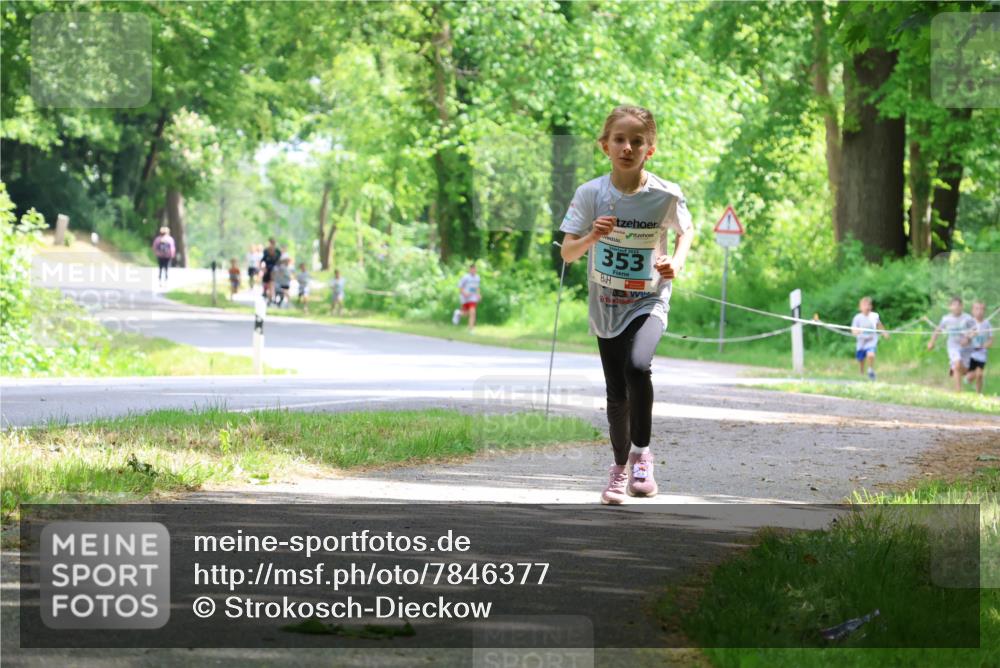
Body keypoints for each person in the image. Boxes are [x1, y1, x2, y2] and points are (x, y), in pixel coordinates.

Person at [559, 105, 694, 505]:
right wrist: (591, 238)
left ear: (649, 150)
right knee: (616, 391)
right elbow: (567, 253)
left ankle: (642, 457)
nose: (628, 147)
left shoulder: (665, 195)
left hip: (649, 299)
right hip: (607, 303)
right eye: (620, 139)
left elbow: (686, 231)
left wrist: (676, 262)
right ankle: (618, 470)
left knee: (639, 366)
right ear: (605, 146)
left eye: (638, 141)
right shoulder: (591, 194)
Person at [927, 296, 977, 392]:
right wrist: (931, 342)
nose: (956, 307)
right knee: (957, 364)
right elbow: (938, 330)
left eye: (959, 305)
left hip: (966, 347)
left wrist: (967, 338)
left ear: (962, 306)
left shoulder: (967, 318)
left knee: (963, 369)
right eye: (954, 305)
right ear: (949, 307)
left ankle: (966, 374)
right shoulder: (946, 319)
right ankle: (958, 392)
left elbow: (975, 330)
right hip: (953, 347)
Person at [850, 296, 888, 381]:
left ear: (871, 306)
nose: (866, 307)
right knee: (860, 358)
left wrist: (884, 333)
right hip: (861, 341)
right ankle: (861, 371)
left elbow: (879, 325)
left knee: (871, 354)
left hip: (871, 340)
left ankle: (870, 369)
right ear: (860, 307)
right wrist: (856, 332)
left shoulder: (874, 316)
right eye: (864, 305)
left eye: (868, 305)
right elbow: (853, 330)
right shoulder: (857, 317)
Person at [965, 300, 993, 394]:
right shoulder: (969, 323)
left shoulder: (987, 324)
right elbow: (964, 339)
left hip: (981, 354)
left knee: (980, 374)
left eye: (982, 309)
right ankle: (967, 379)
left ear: (984, 311)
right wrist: (971, 335)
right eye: (977, 309)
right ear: (972, 311)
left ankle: (978, 393)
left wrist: (985, 345)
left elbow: (990, 339)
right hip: (970, 354)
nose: (979, 311)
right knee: (970, 377)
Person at [452, 263, 481, 331]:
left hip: (473, 298)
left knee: (473, 312)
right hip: (465, 298)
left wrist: (478, 294)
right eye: (473, 269)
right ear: (470, 269)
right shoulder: (465, 277)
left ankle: (471, 329)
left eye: (475, 269)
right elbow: (460, 287)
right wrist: (464, 293)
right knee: (465, 314)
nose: (474, 270)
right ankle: (458, 313)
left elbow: (477, 287)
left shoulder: (477, 277)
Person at [260, 238, 282, 304]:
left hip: (274, 270)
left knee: (272, 285)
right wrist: (263, 268)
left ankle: (271, 298)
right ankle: (268, 295)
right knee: (266, 284)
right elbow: (262, 260)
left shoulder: (278, 252)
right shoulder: (266, 251)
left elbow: (279, 262)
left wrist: (279, 270)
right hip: (267, 269)